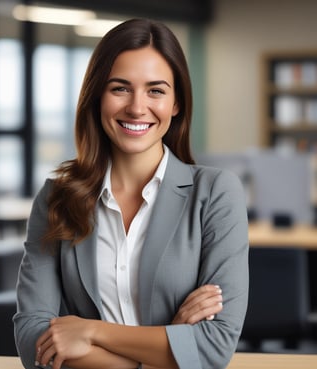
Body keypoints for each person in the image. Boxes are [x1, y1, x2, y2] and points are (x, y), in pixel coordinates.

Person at [14, 18, 249, 369]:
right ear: (97, 96)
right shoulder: (56, 198)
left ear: (176, 103)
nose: (137, 108)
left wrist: (92, 333)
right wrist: (169, 346)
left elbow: (214, 347)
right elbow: (33, 340)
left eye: (156, 90)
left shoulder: (215, 193)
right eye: (120, 88)